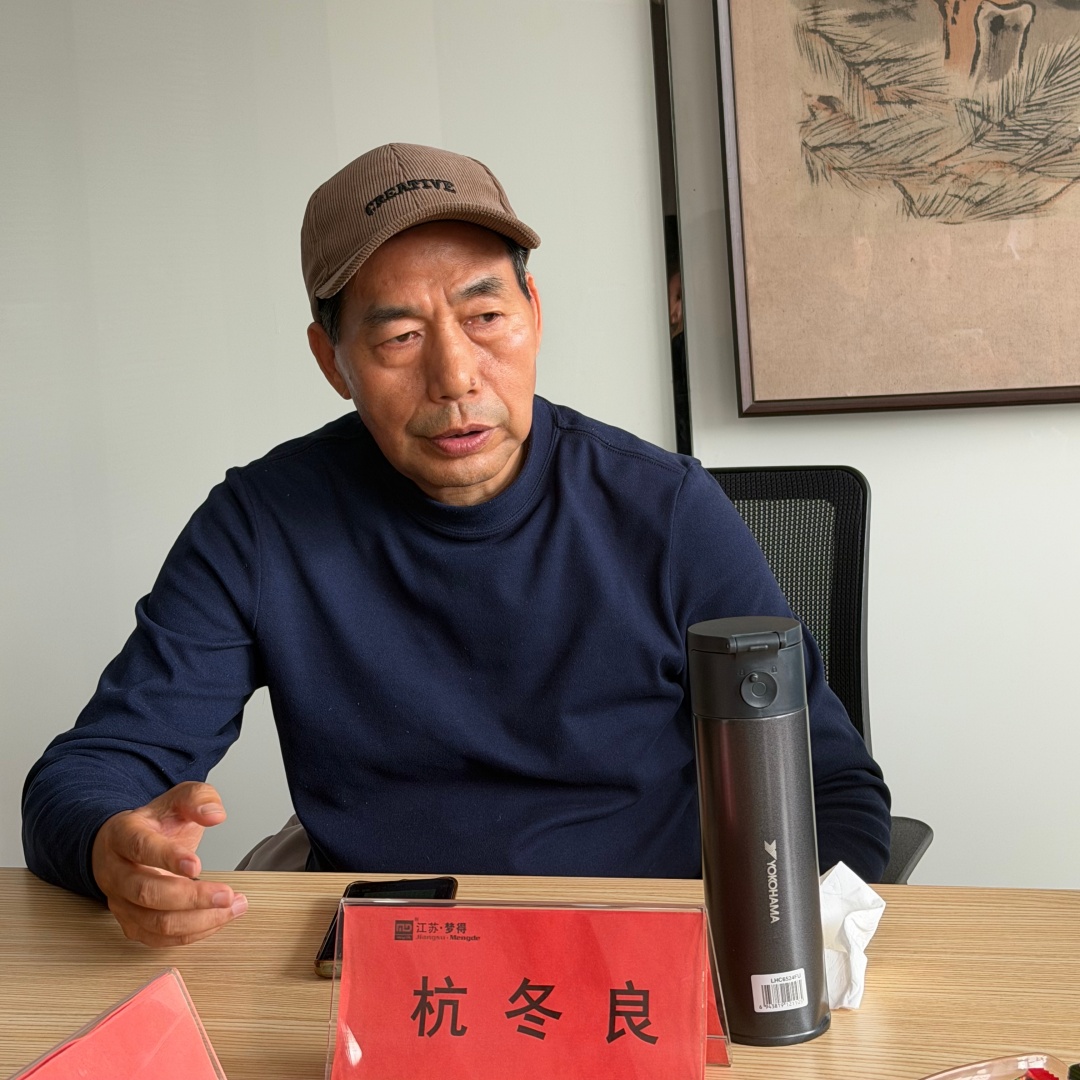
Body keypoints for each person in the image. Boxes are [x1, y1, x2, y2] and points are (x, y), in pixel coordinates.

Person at [22, 143, 891, 947]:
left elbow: (828, 786)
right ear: (332, 360)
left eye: (485, 316)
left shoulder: (665, 510)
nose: (455, 376)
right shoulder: (262, 525)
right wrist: (111, 847)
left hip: (638, 949)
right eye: (399, 337)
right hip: (394, 960)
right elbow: (93, 769)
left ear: (533, 314)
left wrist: (777, 951)